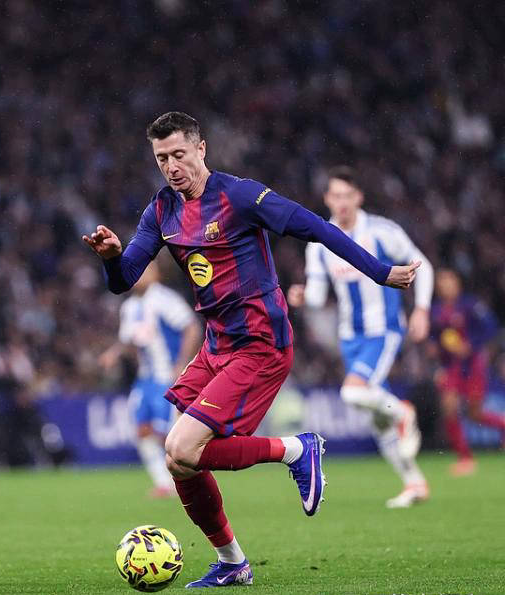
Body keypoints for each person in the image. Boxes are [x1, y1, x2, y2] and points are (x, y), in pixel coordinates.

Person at [83, 112, 419, 588]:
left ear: (201, 149)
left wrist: (380, 272)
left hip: (260, 344)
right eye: (162, 159)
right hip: (218, 344)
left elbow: (315, 227)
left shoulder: (239, 196)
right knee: (177, 459)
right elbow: (123, 281)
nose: (172, 167)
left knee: (182, 446)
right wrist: (113, 257)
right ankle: (232, 562)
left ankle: (296, 449)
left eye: (179, 154)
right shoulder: (161, 211)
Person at [286, 165, 433, 509]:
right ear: (327, 199)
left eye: (347, 196)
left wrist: (422, 309)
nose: (342, 202)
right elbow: (318, 295)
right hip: (349, 337)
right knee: (378, 420)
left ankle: (404, 413)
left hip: (383, 330)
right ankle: (415, 483)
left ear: (358, 197)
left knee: (352, 392)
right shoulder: (320, 243)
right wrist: (303, 296)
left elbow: (422, 264)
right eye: (336, 196)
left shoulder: (382, 231)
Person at [99, 261, 200, 498]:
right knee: (142, 429)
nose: (139, 275)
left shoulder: (165, 299)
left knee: (170, 435)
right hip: (145, 379)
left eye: (145, 270)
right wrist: (114, 354)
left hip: (168, 377)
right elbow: (129, 340)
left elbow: (192, 328)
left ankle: (188, 481)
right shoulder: (129, 306)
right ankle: (164, 483)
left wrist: (181, 363)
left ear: (156, 273)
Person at [430, 267, 502, 476]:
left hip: (474, 365)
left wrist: (471, 345)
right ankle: (465, 459)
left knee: (475, 414)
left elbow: (491, 328)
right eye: (441, 282)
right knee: (448, 406)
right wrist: (438, 363)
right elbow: (435, 339)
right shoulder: (436, 311)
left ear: (457, 283)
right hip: (452, 367)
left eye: (449, 280)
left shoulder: (470, 305)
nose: (445, 285)